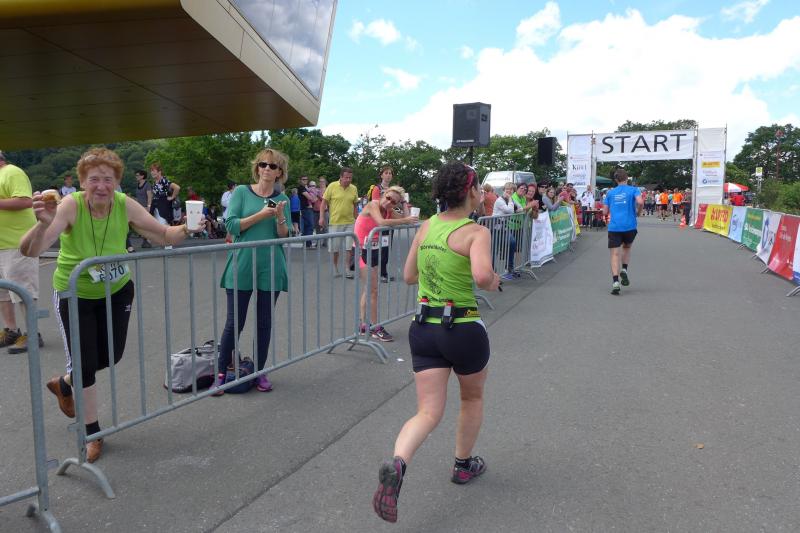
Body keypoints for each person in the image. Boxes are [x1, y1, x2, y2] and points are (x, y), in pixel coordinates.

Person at [19, 147, 203, 462]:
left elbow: (163, 235)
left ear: (117, 182)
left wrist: (188, 228)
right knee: (85, 364)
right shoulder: (70, 205)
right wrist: (41, 225)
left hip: (117, 291)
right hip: (75, 294)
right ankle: (92, 432)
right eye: (94, 179)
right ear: (82, 182)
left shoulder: (124, 204)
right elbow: (31, 251)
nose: (101, 186)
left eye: (108, 179)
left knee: (112, 355)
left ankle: (64, 383)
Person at [372, 162, 500, 523]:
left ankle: (398, 462)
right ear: (471, 191)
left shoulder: (427, 226)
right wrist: (494, 281)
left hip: (424, 327)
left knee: (427, 411)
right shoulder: (475, 232)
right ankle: (463, 465)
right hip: (462, 327)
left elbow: (408, 275)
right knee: (471, 398)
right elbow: (482, 275)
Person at [212, 148, 291, 396]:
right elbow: (231, 225)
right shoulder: (241, 192)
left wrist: (279, 217)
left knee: (264, 322)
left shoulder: (282, 199)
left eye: (273, 166)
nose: (267, 168)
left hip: (271, 264)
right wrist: (260, 215)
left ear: (279, 173)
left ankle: (259, 371)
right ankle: (220, 374)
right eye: (263, 164)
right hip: (243, 263)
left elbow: (284, 235)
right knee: (234, 322)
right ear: (257, 168)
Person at [355, 185, 418, 342]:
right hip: (362, 250)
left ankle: (364, 325)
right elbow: (382, 222)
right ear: (383, 195)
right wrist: (405, 219)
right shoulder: (373, 205)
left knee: (370, 289)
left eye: (394, 202)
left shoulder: (389, 210)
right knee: (373, 290)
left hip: (374, 248)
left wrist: (404, 203)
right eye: (388, 198)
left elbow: (408, 221)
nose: (389, 202)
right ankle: (375, 327)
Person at [0, 150, 42, 354]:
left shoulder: (11, 172)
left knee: (23, 290)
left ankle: (32, 333)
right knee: (3, 292)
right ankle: (11, 331)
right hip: (2, 244)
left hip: (18, 243)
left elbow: (25, 200)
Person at [603, 169, 643, 295]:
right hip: (630, 225)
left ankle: (615, 282)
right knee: (626, 247)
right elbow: (640, 202)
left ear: (616, 180)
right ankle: (624, 269)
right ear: (627, 178)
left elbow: (604, 212)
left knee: (614, 254)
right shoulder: (633, 190)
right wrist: (638, 212)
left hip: (615, 226)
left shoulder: (610, 193)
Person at [319, 167, 359, 279]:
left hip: (350, 222)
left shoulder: (353, 188)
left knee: (349, 248)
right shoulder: (332, 186)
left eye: (350, 178)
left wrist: (357, 219)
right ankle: (335, 267)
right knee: (334, 248)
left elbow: (355, 205)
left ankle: (347, 269)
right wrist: (321, 217)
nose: (348, 180)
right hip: (335, 222)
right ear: (341, 177)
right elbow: (323, 203)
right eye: (346, 177)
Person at [371, 166, 408, 282]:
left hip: (389, 223)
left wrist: (404, 202)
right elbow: (376, 204)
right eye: (386, 173)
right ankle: (376, 273)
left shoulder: (395, 190)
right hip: (378, 224)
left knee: (386, 249)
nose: (388, 175)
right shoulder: (377, 188)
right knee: (377, 249)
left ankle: (383, 272)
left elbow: (402, 210)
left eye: (390, 173)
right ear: (381, 175)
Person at [492, 182, 523, 280]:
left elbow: (520, 208)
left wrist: (514, 206)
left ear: (513, 191)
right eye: (507, 189)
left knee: (512, 242)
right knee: (494, 251)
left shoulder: (511, 199)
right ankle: (492, 273)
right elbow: (509, 211)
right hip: (495, 228)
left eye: (511, 189)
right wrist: (510, 201)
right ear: (504, 190)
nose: (509, 191)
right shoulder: (499, 200)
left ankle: (509, 268)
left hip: (504, 228)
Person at [134, 169, 153, 248]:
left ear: (142, 176)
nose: (136, 177)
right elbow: (138, 197)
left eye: (137, 175)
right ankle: (145, 240)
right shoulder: (138, 185)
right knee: (141, 225)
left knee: (147, 225)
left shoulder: (147, 185)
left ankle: (148, 240)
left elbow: (149, 196)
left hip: (145, 207)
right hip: (140, 207)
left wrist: (149, 206)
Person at [297, 175, 316, 247]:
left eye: (306, 179)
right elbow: (309, 197)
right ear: (300, 180)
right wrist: (313, 198)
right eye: (303, 179)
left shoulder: (305, 188)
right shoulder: (301, 188)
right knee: (310, 225)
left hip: (306, 208)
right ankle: (308, 243)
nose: (305, 180)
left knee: (307, 226)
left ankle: (306, 243)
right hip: (306, 209)